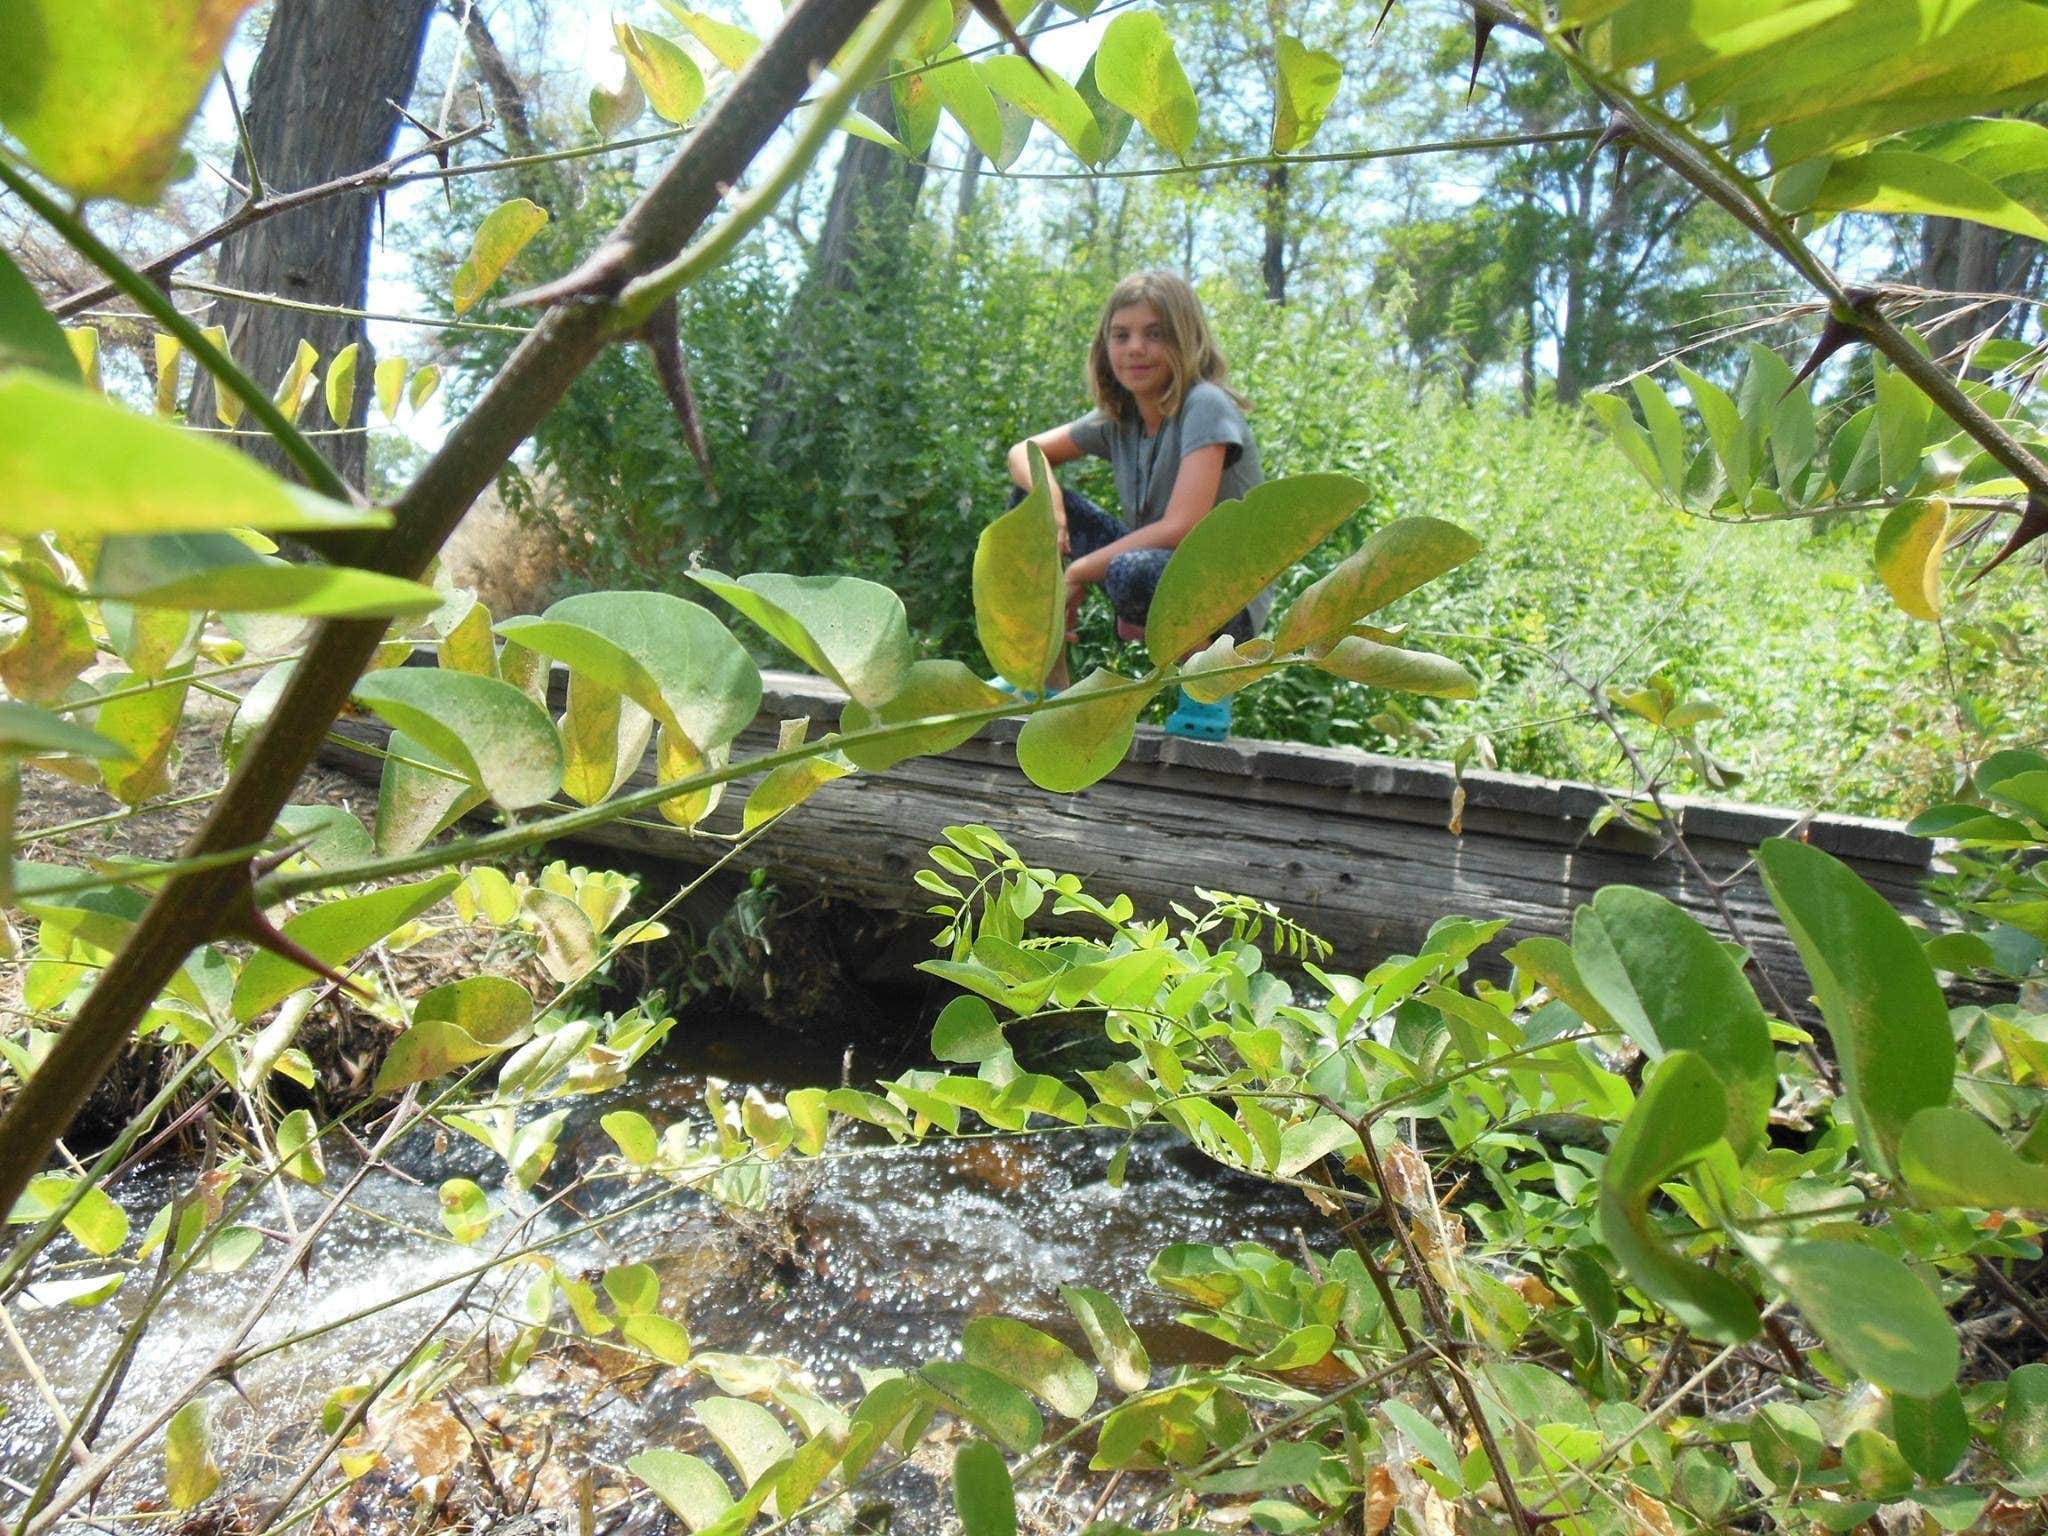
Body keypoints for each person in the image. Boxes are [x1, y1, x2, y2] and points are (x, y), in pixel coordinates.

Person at [1002, 270, 1265, 740]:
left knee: (1133, 569)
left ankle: (1206, 693)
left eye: (1155, 334)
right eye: (1121, 335)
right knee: (1028, 501)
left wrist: (1080, 569)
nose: (1135, 348)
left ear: (1185, 339)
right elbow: (1024, 453)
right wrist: (1053, 508)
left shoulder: (1205, 404)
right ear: (1105, 346)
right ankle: (1044, 680)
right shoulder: (1120, 417)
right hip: (1156, 569)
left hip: (1225, 600)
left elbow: (1183, 526)